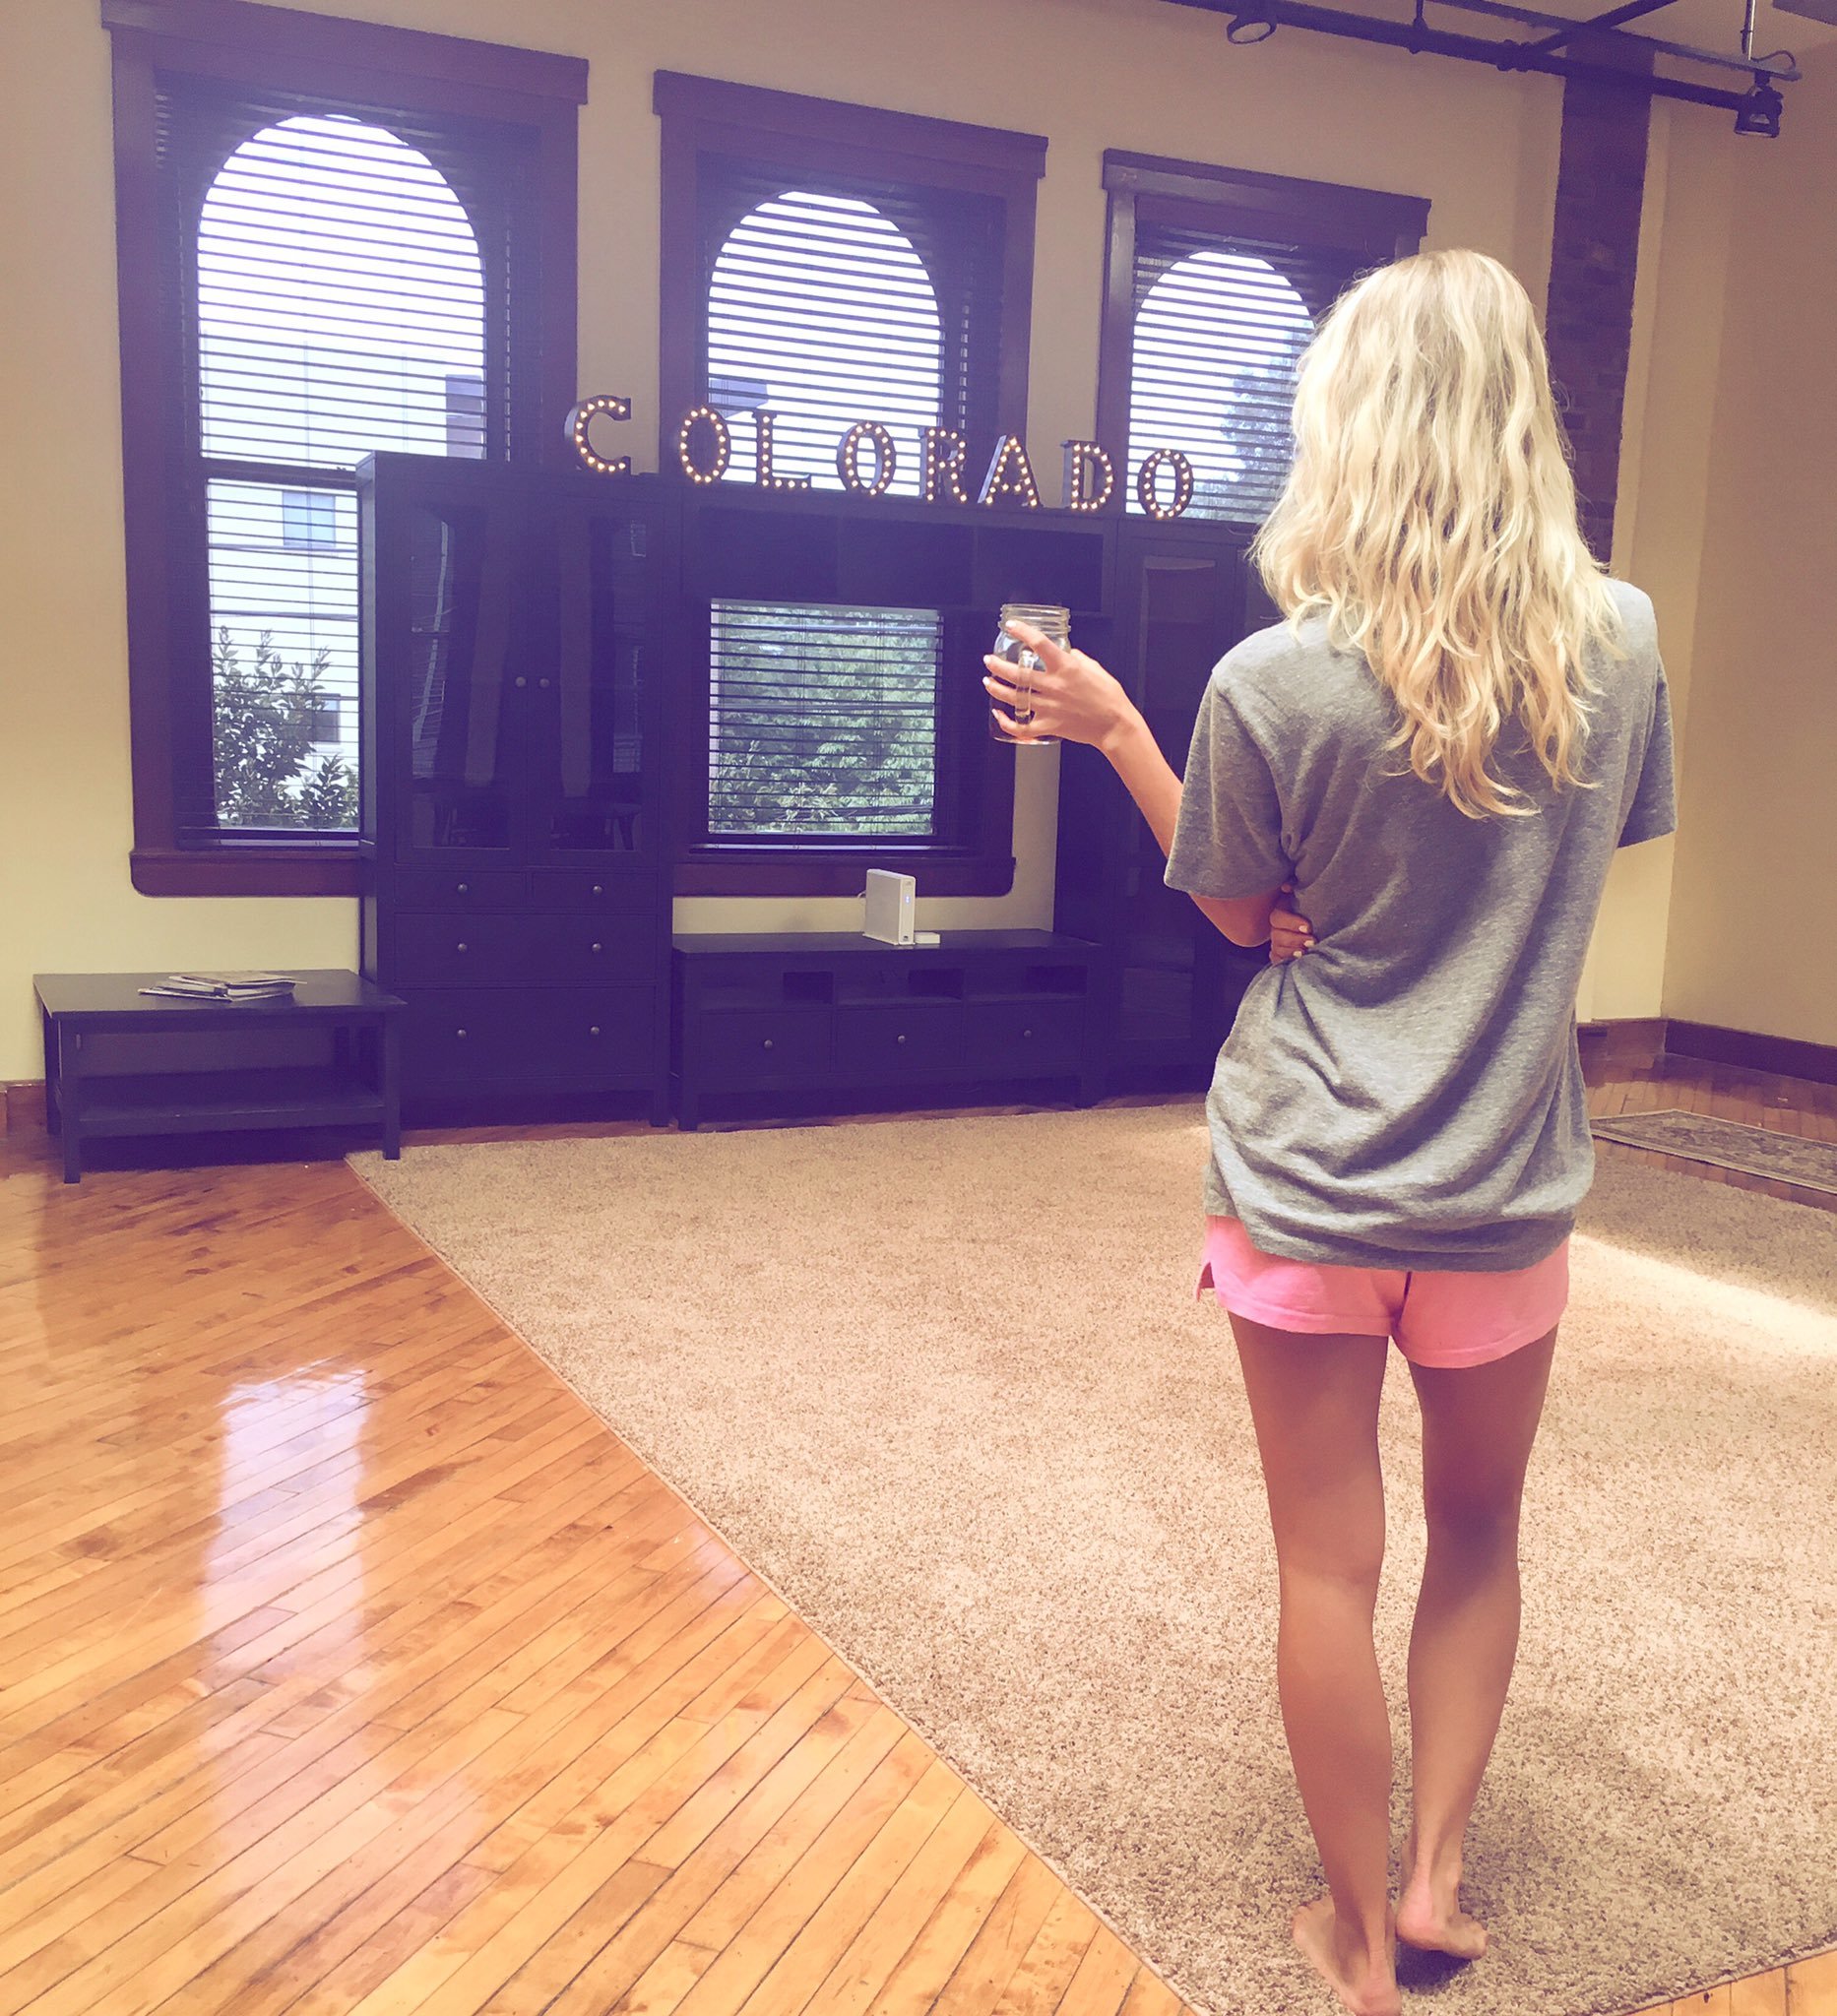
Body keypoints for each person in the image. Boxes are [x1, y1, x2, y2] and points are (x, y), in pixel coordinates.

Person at [983, 248, 1675, 2016]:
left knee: (1323, 1560)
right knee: (1479, 1535)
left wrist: (1119, 732)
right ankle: (1434, 1881)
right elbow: (1570, 857)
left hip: (1305, 1181)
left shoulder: (1268, 679)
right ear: (1521, 417)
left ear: (1345, 427)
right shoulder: (1619, 640)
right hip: (1502, 1183)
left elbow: (1238, 914)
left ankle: (1356, 1941)